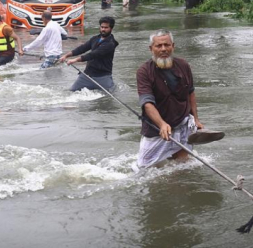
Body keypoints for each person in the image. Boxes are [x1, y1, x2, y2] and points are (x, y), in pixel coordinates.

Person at [135, 30, 223, 169]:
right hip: (157, 129)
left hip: (182, 122)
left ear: (173, 46)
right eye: (159, 46)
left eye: (166, 45)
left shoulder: (183, 65)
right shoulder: (144, 71)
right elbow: (147, 103)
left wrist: (196, 119)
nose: (163, 49)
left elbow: (191, 93)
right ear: (151, 48)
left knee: (182, 165)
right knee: (143, 169)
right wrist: (162, 124)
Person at [60, 16, 118, 91]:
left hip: (103, 77)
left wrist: (75, 60)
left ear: (111, 29)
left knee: (109, 96)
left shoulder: (110, 44)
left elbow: (93, 54)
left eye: (106, 27)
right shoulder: (95, 38)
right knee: (71, 91)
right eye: (102, 27)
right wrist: (66, 55)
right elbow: (82, 48)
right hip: (87, 75)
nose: (103, 29)